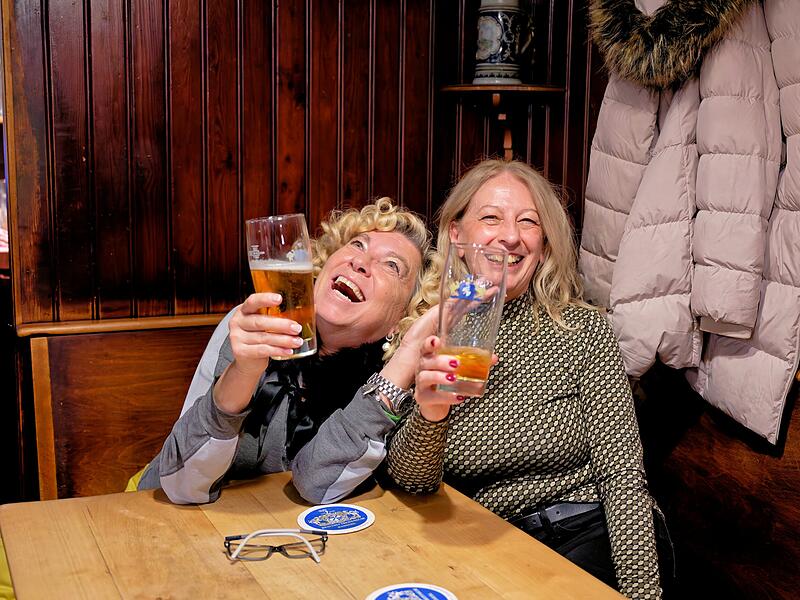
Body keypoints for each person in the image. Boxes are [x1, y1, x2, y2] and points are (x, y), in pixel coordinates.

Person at [385, 160, 665, 599]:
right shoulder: (424, 330)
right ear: (457, 235)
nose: (511, 236)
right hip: (488, 545)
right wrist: (431, 412)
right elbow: (410, 481)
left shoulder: (583, 330)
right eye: (491, 217)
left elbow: (623, 478)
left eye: (528, 222)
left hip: (588, 529)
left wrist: (641, 595)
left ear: (544, 241)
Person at [137, 198, 436, 505]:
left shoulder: (393, 385)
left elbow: (315, 484)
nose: (361, 262)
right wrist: (245, 371)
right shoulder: (253, 327)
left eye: (391, 265)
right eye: (358, 244)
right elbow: (181, 481)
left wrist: (405, 358)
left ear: (402, 318)